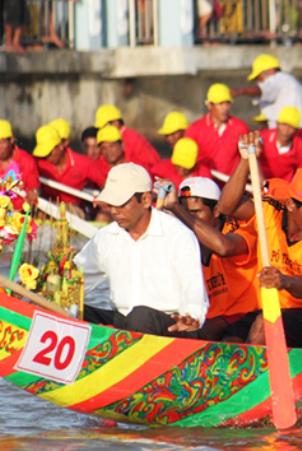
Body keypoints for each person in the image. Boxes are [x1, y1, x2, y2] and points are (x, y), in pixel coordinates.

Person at [218, 135, 302, 348]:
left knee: (262, 327)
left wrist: (284, 281)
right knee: (230, 339)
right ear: (290, 205)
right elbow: (226, 208)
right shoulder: (268, 209)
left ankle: (257, 380)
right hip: (271, 307)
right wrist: (244, 161)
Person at [79, 163, 207, 336]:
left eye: (121, 203)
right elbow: (77, 278)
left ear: (145, 200)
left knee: (140, 316)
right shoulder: (105, 237)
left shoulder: (179, 235)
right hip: (124, 320)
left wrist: (191, 318)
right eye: (111, 204)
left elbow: (194, 291)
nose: (114, 211)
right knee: (74, 312)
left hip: (170, 326)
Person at [161, 176, 259, 341]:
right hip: (207, 321)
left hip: (247, 317)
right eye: (184, 213)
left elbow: (224, 247)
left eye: (195, 212)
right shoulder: (182, 243)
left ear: (216, 211)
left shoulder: (242, 230)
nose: (186, 219)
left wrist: (177, 209)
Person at [230, 54, 302, 128]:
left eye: (259, 77)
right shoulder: (290, 81)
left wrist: (240, 91)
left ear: (269, 71)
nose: (259, 82)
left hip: (294, 134)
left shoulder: (278, 79)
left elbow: (263, 89)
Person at [33, 125, 107, 212]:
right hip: (45, 207)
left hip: (73, 211)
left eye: (49, 152)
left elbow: (104, 183)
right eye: (43, 153)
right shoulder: (36, 162)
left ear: (60, 146)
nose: (47, 157)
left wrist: (103, 198)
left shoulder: (84, 163)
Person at [0, 120, 40, 211]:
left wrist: (34, 194)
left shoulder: (27, 160)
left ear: (12, 140)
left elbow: (36, 189)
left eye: (1, 143)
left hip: (16, 212)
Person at [184, 83, 250, 175]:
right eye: (220, 103)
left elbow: (249, 159)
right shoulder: (194, 130)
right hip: (205, 184)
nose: (225, 107)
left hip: (232, 184)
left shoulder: (240, 128)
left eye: (228, 103)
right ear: (209, 105)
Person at [94, 104, 160, 172]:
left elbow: (153, 164)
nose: (102, 130)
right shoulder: (127, 135)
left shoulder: (129, 138)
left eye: (104, 126)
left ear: (115, 123)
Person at [260, 106, 302, 181]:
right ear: (277, 124)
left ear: (296, 130)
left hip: (286, 189)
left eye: (291, 127)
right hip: (261, 186)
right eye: (283, 125)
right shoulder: (262, 138)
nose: (286, 131)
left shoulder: (300, 146)